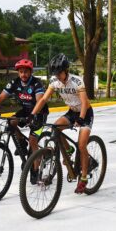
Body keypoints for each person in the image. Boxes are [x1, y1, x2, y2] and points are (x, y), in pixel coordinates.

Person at [29, 54, 93, 195]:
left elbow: (85, 102)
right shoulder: (54, 82)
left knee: (82, 145)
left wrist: (81, 119)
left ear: (66, 70)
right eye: (55, 73)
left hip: (85, 113)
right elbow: (44, 99)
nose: (57, 76)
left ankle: (83, 178)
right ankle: (68, 150)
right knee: (55, 128)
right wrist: (33, 114)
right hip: (71, 111)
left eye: (59, 73)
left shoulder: (77, 81)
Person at [0, 59, 49, 183]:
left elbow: (40, 100)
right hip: (25, 110)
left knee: (33, 141)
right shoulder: (15, 82)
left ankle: (35, 171)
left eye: (26, 72)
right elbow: (1, 97)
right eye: (21, 72)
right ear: (18, 72)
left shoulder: (36, 83)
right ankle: (22, 143)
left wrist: (33, 115)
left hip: (39, 113)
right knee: (11, 122)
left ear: (30, 72)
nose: (23, 74)